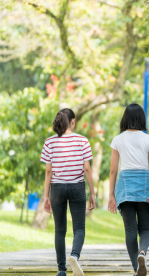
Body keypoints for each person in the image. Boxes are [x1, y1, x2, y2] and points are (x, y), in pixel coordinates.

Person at [107, 103, 149, 276]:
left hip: (125, 187)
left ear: (124, 118)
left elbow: (113, 170)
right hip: (145, 185)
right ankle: (143, 253)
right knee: (146, 229)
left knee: (130, 230)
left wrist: (111, 194)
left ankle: (136, 269)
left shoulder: (118, 140)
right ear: (142, 118)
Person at [41, 108, 96, 276]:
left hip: (57, 188)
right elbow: (87, 168)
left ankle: (61, 269)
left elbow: (49, 171)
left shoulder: (50, 142)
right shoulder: (82, 140)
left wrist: (46, 196)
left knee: (59, 230)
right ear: (72, 122)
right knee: (79, 229)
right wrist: (93, 193)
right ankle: (74, 256)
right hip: (77, 187)